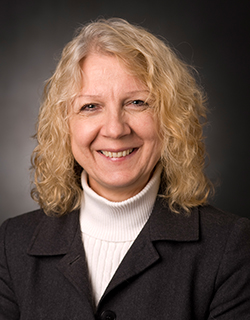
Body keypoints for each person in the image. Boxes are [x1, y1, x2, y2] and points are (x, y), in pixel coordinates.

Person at [0, 18, 250, 320]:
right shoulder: (11, 243)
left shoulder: (231, 245)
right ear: (64, 125)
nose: (115, 129)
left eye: (137, 102)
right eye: (90, 106)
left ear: (171, 118)